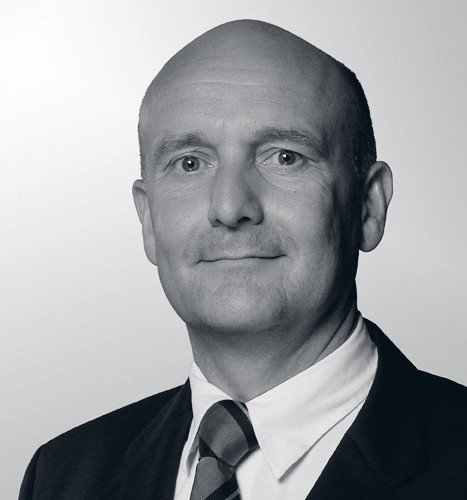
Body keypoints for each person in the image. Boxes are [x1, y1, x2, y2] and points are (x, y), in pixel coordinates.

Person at [20, 19, 467, 500]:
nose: (231, 207)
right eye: (190, 163)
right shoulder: (62, 476)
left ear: (368, 207)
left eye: (285, 157)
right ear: (148, 220)